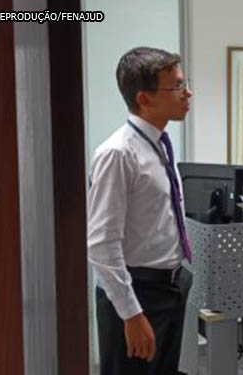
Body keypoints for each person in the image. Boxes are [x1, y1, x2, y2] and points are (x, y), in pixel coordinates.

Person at [87, 46, 193, 375]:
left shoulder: (160, 144)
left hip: (170, 287)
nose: (187, 93)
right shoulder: (118, 154)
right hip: (137, 293)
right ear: (144, 98)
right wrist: (131, 314)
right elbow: (101, 243)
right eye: (176, 86)